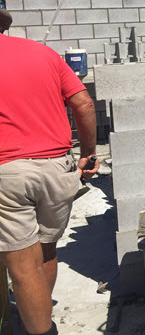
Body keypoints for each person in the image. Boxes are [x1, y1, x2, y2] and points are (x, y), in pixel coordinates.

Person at [0, 34, 99, 335]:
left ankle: (38, 328)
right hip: (57, 169)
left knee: (22, 266)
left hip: (8, 173)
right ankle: (38, 313)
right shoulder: (43, 53)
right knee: (46, 251)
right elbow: (84, 104)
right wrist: (88, 154)